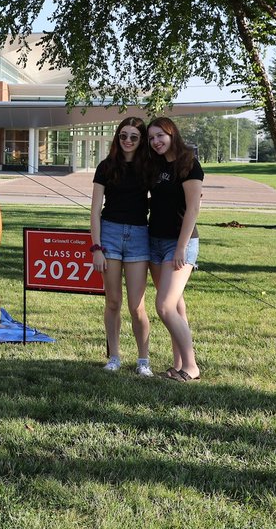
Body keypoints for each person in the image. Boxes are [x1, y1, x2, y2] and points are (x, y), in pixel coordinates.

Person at [90, 117, 153, 377]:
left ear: (141, 141)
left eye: (134, 137)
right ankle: (114, 357)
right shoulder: (106, 167)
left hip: (139, 235)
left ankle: (143, 360)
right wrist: (96, 247)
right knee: (113, 301)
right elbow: (95, 211)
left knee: (137, 306)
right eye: (123, 135)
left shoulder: (149, 166)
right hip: (110, 234)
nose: (127, 141)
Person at [146, 117, 203, 382]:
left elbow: (193, 209)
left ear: (172, 134)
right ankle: (178, 364)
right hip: (154, 241)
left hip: (180, 243)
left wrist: (181, 247)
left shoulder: (188, 163)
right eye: (151, 138)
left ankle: (191, 367)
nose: (156, 141)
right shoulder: (155, 165)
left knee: (165, 306)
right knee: (177, 306)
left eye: (160, 135)